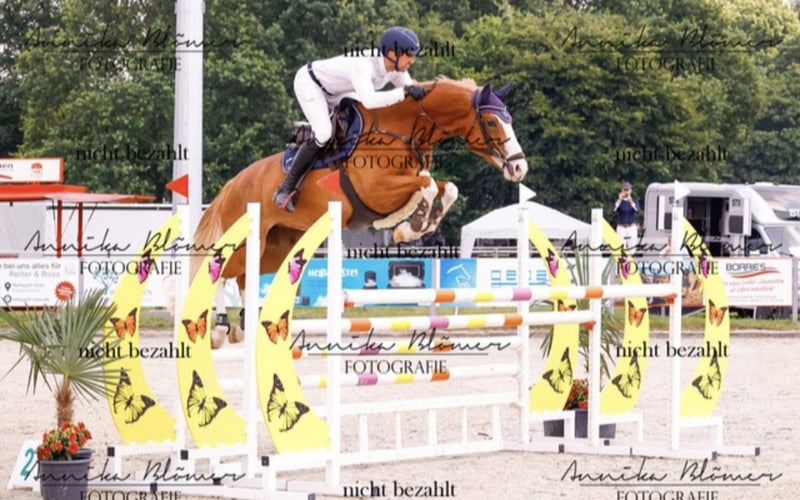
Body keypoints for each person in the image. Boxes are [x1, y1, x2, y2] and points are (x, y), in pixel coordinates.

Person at [273, 26, 429, 212]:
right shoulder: (363, 65)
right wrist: (403, 92)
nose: (412, 60)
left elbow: (412, 92)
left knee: (363, 117)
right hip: (311, 84)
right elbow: (371, 100)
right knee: (323, 133)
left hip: (339, 91)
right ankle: (285, 187)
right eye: (409, 55)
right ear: (391, 53)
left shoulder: (396, 68)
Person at [613, 181, 639, 249]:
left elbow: (637, 210)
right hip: (621, 226)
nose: (626, 192)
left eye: (627, 190)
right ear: (622, 190)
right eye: (625, 190)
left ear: (630, 191)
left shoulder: (634, 201)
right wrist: (620, 199)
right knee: (621, 246)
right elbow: (614, 210)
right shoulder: (619, 201)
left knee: (632, 246)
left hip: (631, 226)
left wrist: (630, 201)